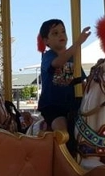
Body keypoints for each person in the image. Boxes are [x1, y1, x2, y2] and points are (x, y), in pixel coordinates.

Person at [36, 19, 90, 151]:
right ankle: (62, 161)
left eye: (63, 31)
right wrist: (78, 43)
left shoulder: (73, 59)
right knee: (63, 132)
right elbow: (58, 63)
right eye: (55, 33)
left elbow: (82, 82)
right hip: (53, 107)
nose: (61, 35)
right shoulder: (48, 56)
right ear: (46, 41)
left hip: (73, 105)